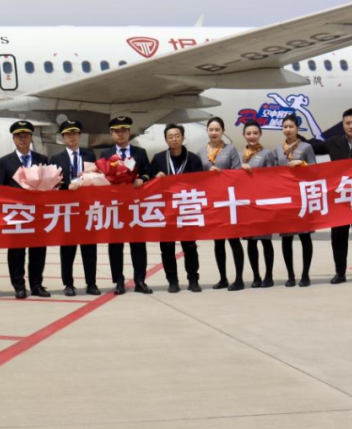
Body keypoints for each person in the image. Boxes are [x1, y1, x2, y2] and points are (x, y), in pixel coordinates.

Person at [307, 108, 352, 284]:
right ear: (343, 125)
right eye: (347, 123)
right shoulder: (334, 143)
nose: (351, 126)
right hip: (339, 199)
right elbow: (311, 147)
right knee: (338, 237)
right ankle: (340, 273)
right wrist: (294, 136)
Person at [0, 120, 51, 299]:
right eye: (18, 136)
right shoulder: (5, 161)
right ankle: (19, 286)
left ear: (31, 137)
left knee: (38, 251)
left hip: (37, 214)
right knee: (16, 252)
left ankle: (37, 285)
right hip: (16, 214)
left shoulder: (42, 160)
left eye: (25, 135)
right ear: (13, 139)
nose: (22, 138)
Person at [100, 116, 152, 295]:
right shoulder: (106, 154)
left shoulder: (140, 152)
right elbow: (101, 177)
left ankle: (140, 280)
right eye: (116, 131)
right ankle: (119, 281)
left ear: (129, 132)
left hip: (135, 206)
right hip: (115, 207)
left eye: (124, 130)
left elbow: (148, 172)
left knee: (138, 245)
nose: (120, 134)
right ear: (111, 133)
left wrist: (142, 179)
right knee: (115, 246)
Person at [151, 124, 204, 293]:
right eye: (170, 136)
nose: (174, 139)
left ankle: (193, 280)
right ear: (166, 140)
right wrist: (155, 176)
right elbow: (149, 181)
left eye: (177, 135)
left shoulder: (193, 159)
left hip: (186, 209)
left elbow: (201, 182)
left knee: (190, 246)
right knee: (167, 247)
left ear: (183, 137)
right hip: (166, 211)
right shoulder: (159, 158)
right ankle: (172, 281)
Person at [50, 120, 99, 296]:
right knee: (67, 249)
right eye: (67, 134)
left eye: (74, 133)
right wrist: (67, 186)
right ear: (63, 137)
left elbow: (96, 177)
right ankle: (68, 284)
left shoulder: (89, 155)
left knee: (89, 248)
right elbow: (53, 183)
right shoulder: (56, 159)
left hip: (87, 208)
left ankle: (91, 283)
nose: (71, 137)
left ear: (79, 135)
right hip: (67, 209)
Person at [200, 117, 249, 290]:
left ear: (223, 131)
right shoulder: (201, 152)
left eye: (217, 130)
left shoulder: (230, 149)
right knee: (218, 242)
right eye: (211, 130)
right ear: (207, 131)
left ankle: (239, 279)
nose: (214, 133)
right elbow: (197, 177)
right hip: (212, 202)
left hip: (229, 201)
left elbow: (236, 174)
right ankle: (222, 278)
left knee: (234, 240)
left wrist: (221, 175)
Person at [274, 114, 316, 287]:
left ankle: (305, 275)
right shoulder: (278, 149)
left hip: (301, 197)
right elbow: (272, 173)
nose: (288, 130)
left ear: (297, 128)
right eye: (285, 127)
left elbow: (315, 169)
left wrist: (302, 163)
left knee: (305, 237)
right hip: (285, 198)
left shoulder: (306, 147)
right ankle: (290, 275)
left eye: (291, 126)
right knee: (286, 239)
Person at [239, 120, 280, 286]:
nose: (252, 136)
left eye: (255, 133)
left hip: (262, 203)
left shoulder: (267, 153)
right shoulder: (240, 155)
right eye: (248, 133)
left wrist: (254, 173)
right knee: (251, 241)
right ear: (244, 135)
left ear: (260, 134)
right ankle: (256, 276)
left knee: (265, 240)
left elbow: (272, 176)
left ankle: (269, 276)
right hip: (246, 203)